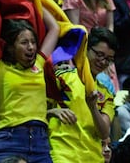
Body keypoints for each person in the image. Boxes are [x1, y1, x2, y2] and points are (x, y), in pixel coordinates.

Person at [0, 2, 59, 162]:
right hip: (10, 141)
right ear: (11, 47)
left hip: (41, 141)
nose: (31, 47)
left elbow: (54, 28)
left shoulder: (39, 63)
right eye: (24, 43)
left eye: (33, 42)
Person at [47, 27, 117, 162]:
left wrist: (93, 107)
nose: (103, 62)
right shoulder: (62, 78)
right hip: (62, 154)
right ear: (86, 49)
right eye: (99, 54)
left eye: (108, 59)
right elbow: (37, 111)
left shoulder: (106, 93)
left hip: (93, 158)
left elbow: (104, 133)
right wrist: (53, 112)